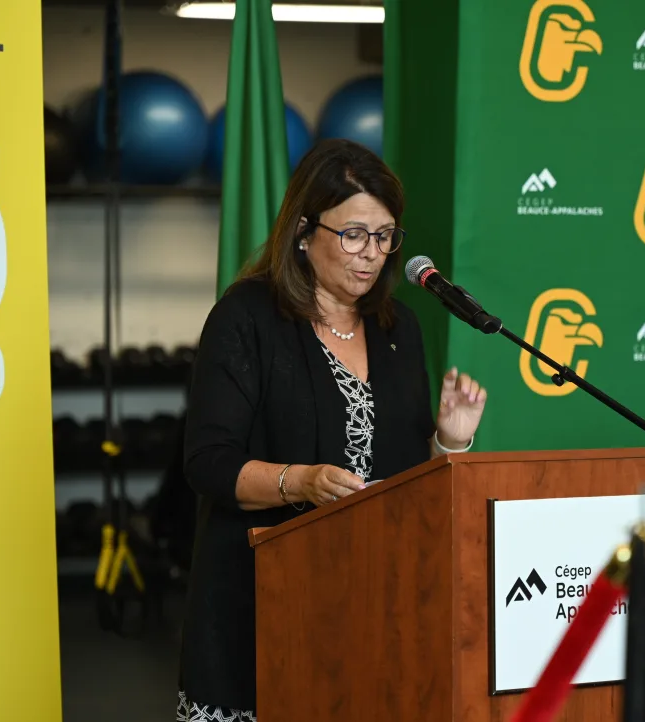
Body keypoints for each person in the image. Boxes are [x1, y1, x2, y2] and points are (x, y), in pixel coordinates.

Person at [175, 138, 489, 721]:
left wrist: (450, 439)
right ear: (303, 231)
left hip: (376, 606)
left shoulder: (400, 330)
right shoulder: (247, 318)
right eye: (352, 235)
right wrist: (301, 482)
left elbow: (408, 482)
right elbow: (208, 461)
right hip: (266, 604)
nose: (370, 254)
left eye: (384, 235)